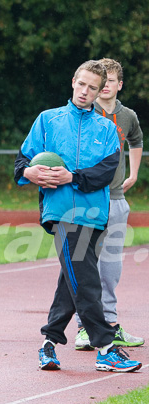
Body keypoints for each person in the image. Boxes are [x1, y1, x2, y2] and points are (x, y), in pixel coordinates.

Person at [14, 59, 141, 373]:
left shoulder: (108, 129)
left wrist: (72, 176)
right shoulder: (48, 120)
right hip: (61, 212)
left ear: (99, 92)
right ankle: (106, 347)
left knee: (71, 279)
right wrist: (30, 172)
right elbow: (22, 162)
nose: (85, 91)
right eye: (82, 84)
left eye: (93, 88)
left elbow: (105, 171)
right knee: (85, 280)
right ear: (73, 82)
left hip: (96, 214)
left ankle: (49, 342)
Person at [73, 58, 144, 351]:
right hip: (89, 199)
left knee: (111, 267)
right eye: (102, 82)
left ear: (119, 85)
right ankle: (83, 326)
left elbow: (136, 140)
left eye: (112, 81)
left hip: (116, 198)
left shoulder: (127, 116)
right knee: (83, 264)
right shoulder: (86, 112)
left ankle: (111, 323)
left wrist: (135, 174)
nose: (105, 87)